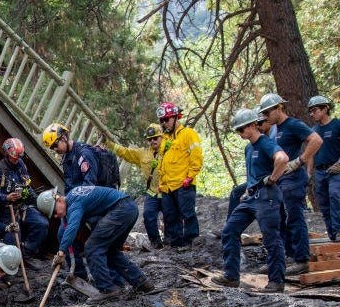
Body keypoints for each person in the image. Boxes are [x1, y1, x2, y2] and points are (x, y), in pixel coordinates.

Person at [212, 109, 288, 292]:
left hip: (267, 196)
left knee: (271, 238)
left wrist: (272, 178)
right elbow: (252, 173)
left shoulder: (265, 143)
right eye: (237, 130)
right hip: (252, 196)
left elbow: (283, 158)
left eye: (242, 129)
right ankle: (231, 276)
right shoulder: (249, 148)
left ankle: (276, 282)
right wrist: (247, 190)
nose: (240, 134)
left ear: (254, 125)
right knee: (230, 230)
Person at [37, 187, 155, 302]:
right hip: (128, 208)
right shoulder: (72, 198)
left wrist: (61, 252)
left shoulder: (75, 204)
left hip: (120, 210)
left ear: (59, 200)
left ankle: (107, 289)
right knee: (110, 251)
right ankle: (142, 283)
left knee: (92, 247)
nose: (56, 216)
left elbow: (72, 228)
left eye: (54, 212)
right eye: (53, 216)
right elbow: (65, 227)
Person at [258, 93, 322, 274]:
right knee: (280, 220)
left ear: (279, 108)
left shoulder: (292, 124)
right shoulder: (274, 129)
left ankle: (301, 260)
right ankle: (286, 258)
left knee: (295, 217)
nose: (265, 117)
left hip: (293, 180)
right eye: (263, 114)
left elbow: (316, 140)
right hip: (281, 180)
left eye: (268, 112)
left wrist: (299, 161)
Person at [107, 124, 166, 248]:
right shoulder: (142, 154)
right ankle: (156, 243)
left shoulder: (170, 150)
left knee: (171, 218)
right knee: (148, 215)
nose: (152, 141)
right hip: (152, 192)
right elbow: (126, 153)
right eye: (150, 139)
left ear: (162, 137)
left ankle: (171, 241)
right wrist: (109, 143)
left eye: (155, 138)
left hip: (168, 192)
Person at [155, 103, 203, 251]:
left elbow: (196, 156)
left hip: (183, 184)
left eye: (167, 119)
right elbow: (162, 162)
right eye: (162, 120)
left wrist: (190, 176)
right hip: (168, 186)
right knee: (170, 216)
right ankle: (174, 244)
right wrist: (161, 183)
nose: (164, 123)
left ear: (176, 117)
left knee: (187, 214)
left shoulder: (188, 134)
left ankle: (191, 242)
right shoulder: (165, 139)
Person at [0, 138, 49, 258]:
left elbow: (28, 185)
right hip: (6, 210)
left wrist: (37, 200)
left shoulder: (21, 165)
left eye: (19, 157)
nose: (17, 159)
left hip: (22, 207)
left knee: (42, 224)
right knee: (13, 236)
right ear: (7, 154)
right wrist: (6, 197)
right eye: (15, 157)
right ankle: (10, 261)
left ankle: (26, 253)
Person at [308, 95, 340, 241]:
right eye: (311, 111)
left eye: (315, 110)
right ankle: (332, 234)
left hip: (336, 170)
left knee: (335, 197)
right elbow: (311, 154)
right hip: (320, 171)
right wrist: (309, 173)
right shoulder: (314, 130)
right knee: (324, 202)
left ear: (325, 108)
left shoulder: (337, 125)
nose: (312, 114)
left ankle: (339, 231)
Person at [42, 123, 99, 193]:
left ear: (64, 137)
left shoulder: (84, 153)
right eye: (52, 147)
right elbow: (69, 186)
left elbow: (89, 185)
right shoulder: (66, 158)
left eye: (55, 145)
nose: (55, 149)